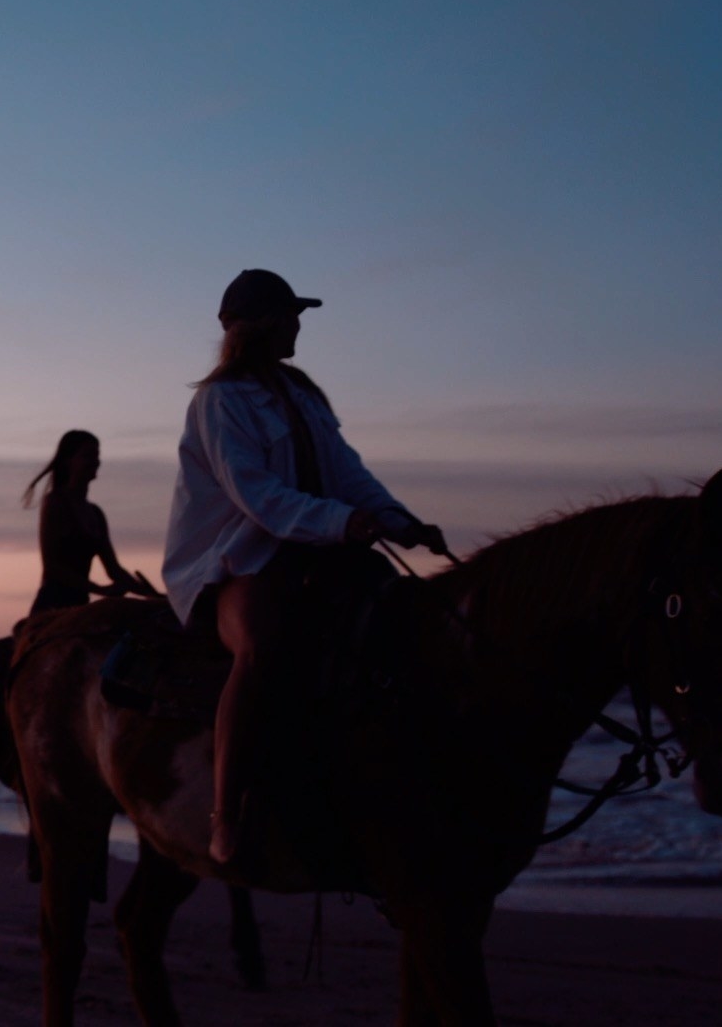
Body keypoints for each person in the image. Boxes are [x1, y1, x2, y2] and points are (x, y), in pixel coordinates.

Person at [161, 269, 445, 865]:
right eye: (290, 315)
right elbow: (257, 496)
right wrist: (343, 523)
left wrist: (398, 520)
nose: (297, 325)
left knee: (404, 623)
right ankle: (226, 813)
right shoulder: (219, 401)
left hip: (315, 548)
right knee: (259, 649)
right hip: (239, 561)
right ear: (263, 324)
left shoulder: (304, 395)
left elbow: (348, 473)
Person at [22, 430, 157, 615]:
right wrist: (100, 589)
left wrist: (152, 595)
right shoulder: (55, 502)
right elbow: (52, 567)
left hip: (80, 605)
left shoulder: (96, 513)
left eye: (97, 455)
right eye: (88, 456)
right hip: (52, 606)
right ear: (68, 461)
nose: (95, 461)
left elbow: (114, 570)